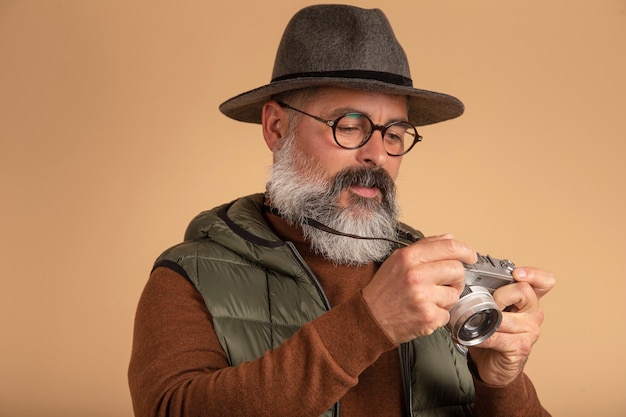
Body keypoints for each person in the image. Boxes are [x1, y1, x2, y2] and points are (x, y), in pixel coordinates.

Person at [128, 4, 555, 417]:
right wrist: (368, 323)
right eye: (349, 126)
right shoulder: (189, 276)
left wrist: (501, 384)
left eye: (395, 133)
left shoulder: (436, 276)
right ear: (277, 128)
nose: (377, 155)